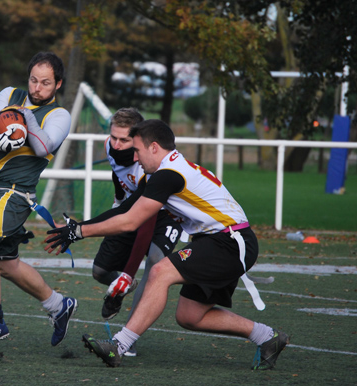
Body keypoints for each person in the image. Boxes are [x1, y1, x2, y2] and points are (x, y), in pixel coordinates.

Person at [46, 119, 289, 370]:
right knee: (189, 317)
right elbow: (126, 208)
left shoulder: (168, 174)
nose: (136, 158)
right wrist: (77, 226)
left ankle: (118, 346)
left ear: (153, 147)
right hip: (224, 240)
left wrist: (80, 232)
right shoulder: (167, 171)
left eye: (137, 150)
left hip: (229, 241)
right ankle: (267, 337)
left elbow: (130, 222)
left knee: (160, 270)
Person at [0, 52, 77, 347]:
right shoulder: (9, 94)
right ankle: (58, 305)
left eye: (45, 83)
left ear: (57, 85)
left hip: (14, 193)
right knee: (4, 263)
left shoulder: (60, 115)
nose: (37, 88)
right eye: (33, 80)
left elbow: (44, 147)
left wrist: (25, 118)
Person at [92, 108, 181, 357]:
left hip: (166, 215)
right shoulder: (110, 146)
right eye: (114, 138)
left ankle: (127, 339)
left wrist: (128, 274)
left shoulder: (150, 168)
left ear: (139, 140)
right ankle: (125, 286)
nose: (117, 145)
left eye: (125, 140)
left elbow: (145, 225)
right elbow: (116, 172)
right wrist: (118, 199)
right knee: (99, 272)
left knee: (154, 265)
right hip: (132, 209)